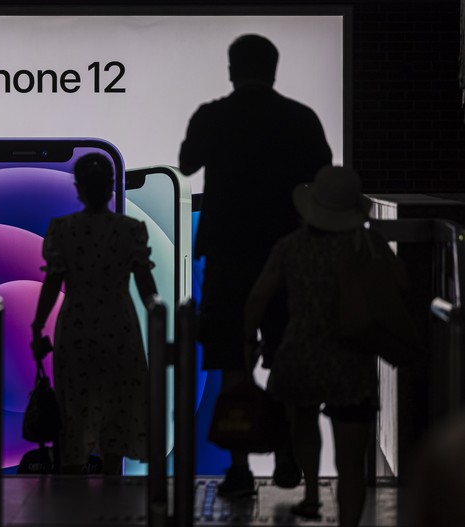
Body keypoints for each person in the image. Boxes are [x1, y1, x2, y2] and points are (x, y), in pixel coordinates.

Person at [179, 33, 332, 496]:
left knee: (231, 360)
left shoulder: (214, 115)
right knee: (286, 356)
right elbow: (322, 172)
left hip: (228, 256)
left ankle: (240, 467)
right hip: (286, 253)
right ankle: (288, 458)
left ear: (231, 68)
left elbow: (186, 164)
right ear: (274, 69)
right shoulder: (300, 118)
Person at [244, 166, 378, 527]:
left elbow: (259, 297)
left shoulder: (291, 247)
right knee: (351, 460)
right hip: (353, 359)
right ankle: (348, 521)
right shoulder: (364, 246)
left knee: (303, 422)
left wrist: (248, 340)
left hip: (301, 353)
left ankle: (313, 494)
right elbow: (401, 284)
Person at [31, 153, 158, 476]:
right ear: (112, 188)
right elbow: (146, 286)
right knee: (117, 408)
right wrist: (161, 318)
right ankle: (113, 482)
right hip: (119, 325)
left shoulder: (63, 230)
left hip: (77, 325)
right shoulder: (131, 231)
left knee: (75, 407)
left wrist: (37, 325)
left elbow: (52, 282)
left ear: (79, 189)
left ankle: (73, 484)